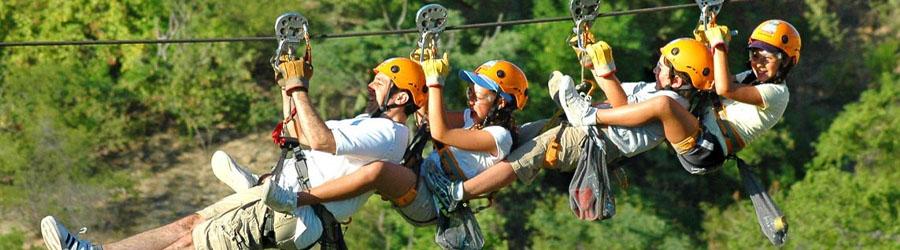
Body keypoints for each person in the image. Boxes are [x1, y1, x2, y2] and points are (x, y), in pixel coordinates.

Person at [39, 56, 428, 250]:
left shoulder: (388, 132)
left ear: (401, 96)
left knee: (196, 243)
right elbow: (296, 130)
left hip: (290, 210)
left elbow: (321, 141)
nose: (370, 87)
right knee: (188, 226)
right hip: (273, 196)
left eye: (380, 83)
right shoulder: (365, 121)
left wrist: (301, 89)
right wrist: (286, 86)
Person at [262, 52, 532, 226]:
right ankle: (269, 185)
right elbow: (428, 117)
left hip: (431, 201)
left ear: (502, 103)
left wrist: (435, 81)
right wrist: (424, 68)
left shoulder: (499, 137)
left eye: (477, 96)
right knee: (368, 157)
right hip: (421, 180)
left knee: (378, 169)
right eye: (470, 94)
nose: (470, 99)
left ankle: (298, 199)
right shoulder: (471, 118)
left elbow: (440, 133)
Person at [556, 19, 801, 174]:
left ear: (788, 62)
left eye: (768, 58)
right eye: (755, 55)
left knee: (663, 104)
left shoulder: (777, 94)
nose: (759, 63)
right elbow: (718, 80)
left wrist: (719, 47)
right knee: (648, 96)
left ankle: (589, 116)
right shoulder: (752, 76)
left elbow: (725, 89)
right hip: (699, 127)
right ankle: (589, 106)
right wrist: (707, 41)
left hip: (706, 149)